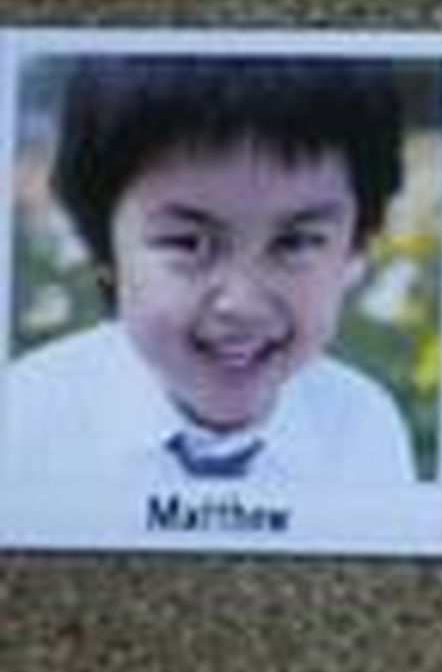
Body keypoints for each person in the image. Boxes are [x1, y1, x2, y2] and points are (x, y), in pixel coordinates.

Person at [4, 51, 419, 484]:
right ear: (102, 249)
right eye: (189, 243)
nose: (242, 305)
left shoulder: (365, 430)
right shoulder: (24, 424)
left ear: (355, 249)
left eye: (294, 242)